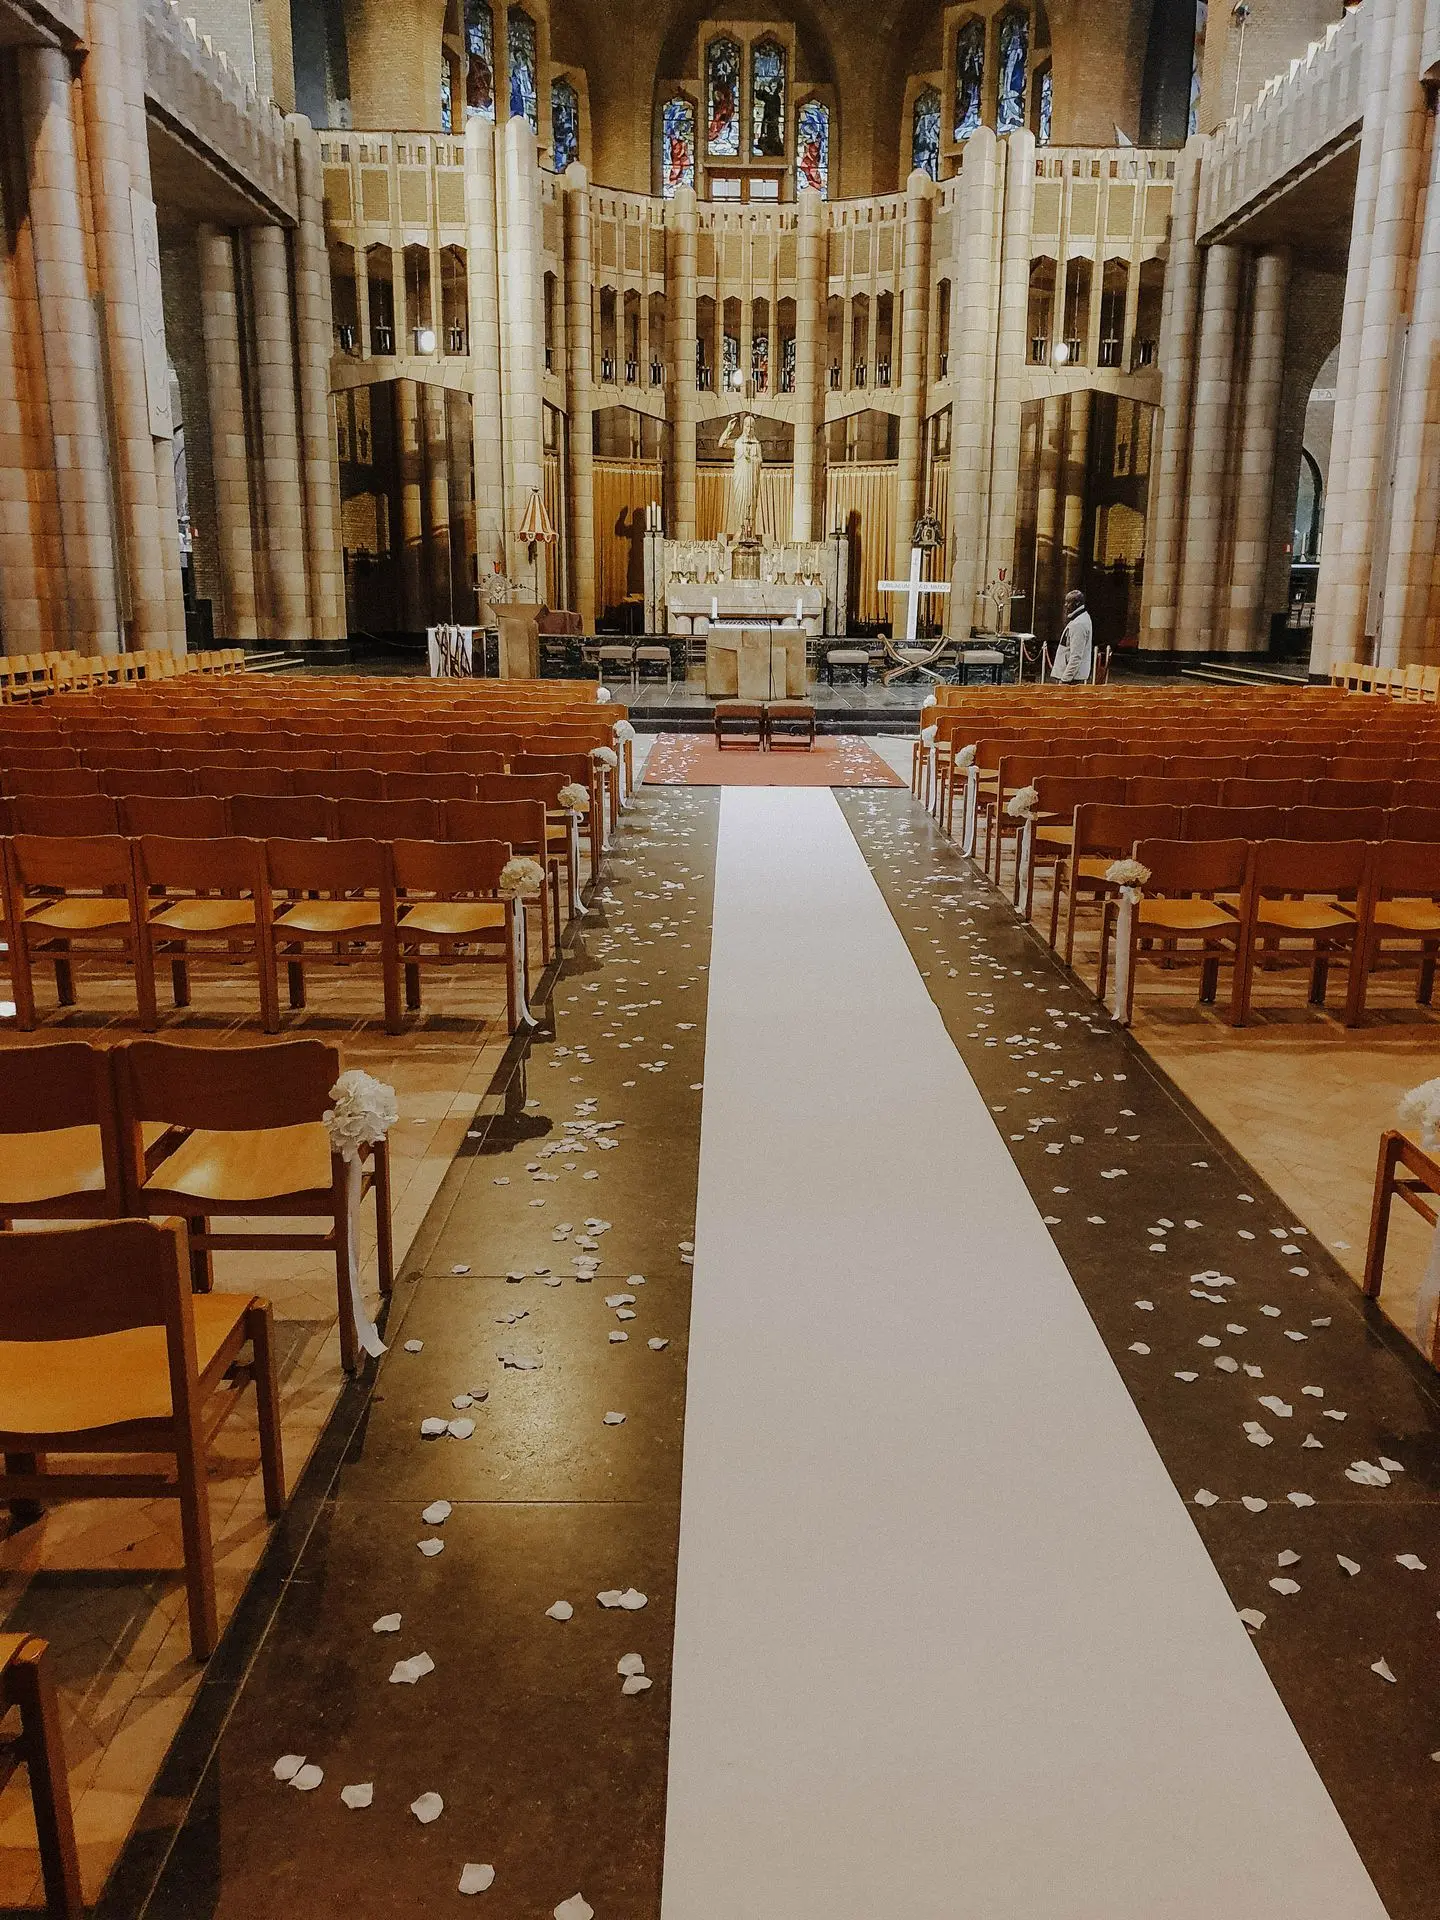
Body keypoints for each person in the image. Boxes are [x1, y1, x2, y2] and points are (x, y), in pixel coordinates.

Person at [1052, 589, 1094, 685]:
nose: (1066, 605)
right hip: (1072, 676)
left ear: (1077, 603)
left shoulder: (1079, 624)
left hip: (1072, 679)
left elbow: (1076, 656)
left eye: (1068, 602)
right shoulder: (1079, 619)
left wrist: (1065, 679)